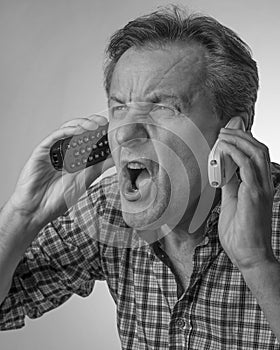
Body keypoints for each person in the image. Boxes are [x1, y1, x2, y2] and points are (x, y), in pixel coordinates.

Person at [1, 5, 280, 349]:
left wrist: (258, 263)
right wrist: (23, 215)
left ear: (234, 128)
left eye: (163, 107)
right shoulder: (109, 208)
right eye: (119, 107)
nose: (124, 134)